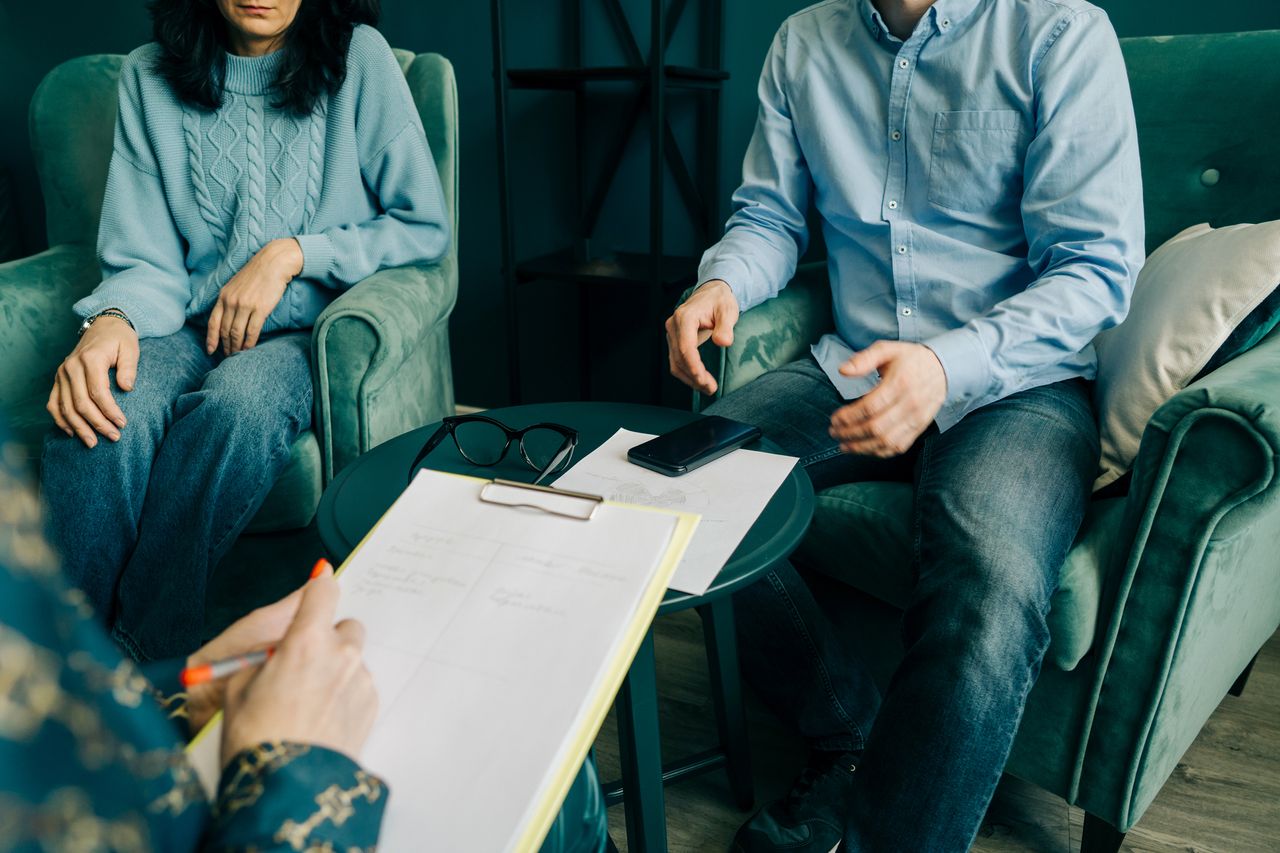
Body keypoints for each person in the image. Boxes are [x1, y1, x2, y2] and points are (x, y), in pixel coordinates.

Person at [665, 0, 1143, 850]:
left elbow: (1096, 269)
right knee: (677, 493)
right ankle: (849, 731)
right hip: (847, 368)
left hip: (1019, 385)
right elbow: (770, 218)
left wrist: (946, 363)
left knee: (988, 581)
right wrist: (725, 284)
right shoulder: (803, 43)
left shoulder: (1062, 33)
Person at [40, 0, 450, 661]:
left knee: (238, 406)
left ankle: (142, 664)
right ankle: (58, 668)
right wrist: (109, 320)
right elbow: (145, 261)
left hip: (301, 333)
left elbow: (422, 227)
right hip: (181, 323)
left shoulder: (358, 58)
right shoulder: (151, 76)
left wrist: (292, 253)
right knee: (98, 405)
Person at [0, 419, 608, 852]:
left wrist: (179, 690)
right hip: (275, 805)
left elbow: (39, 714)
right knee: (560, 795)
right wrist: (288, 768)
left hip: (166, 775)